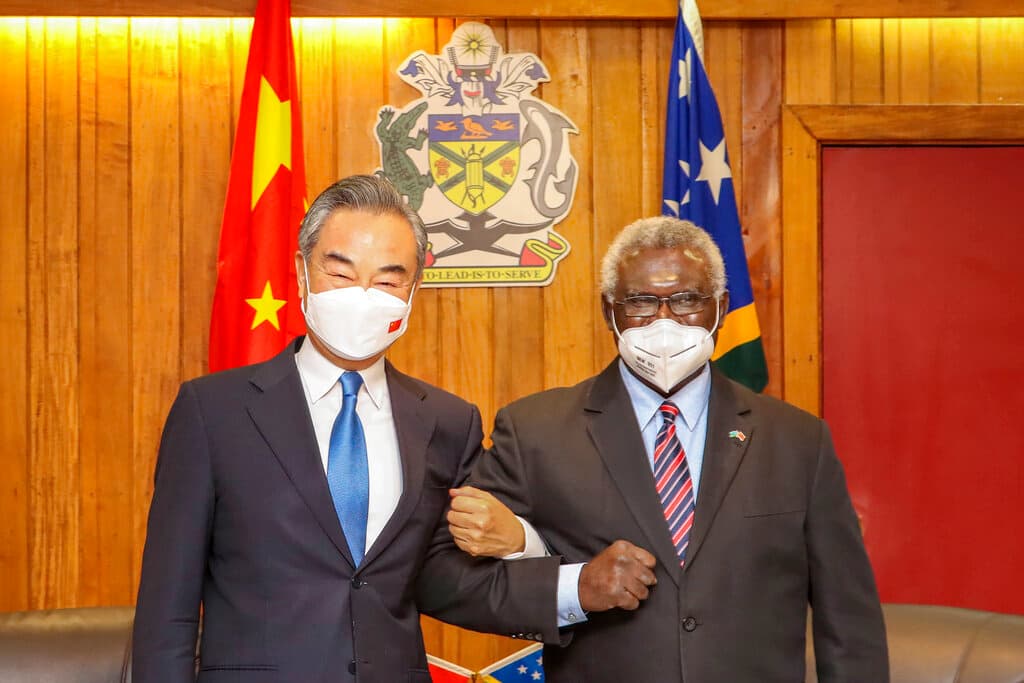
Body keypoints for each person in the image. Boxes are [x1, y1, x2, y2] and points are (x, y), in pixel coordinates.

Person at [131, 175, 561, 683]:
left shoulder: (447, 421)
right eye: (340, 273)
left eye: (387, 281)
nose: (363, 295)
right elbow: (168, 608)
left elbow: (449, 580)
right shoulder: (212, 412)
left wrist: (522, 542)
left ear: (413, 291)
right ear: (301, 272)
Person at [444, 216, 889, 682]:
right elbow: (451, 581)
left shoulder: (798, 441)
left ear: (720, 307)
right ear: (609, 312)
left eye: (687, 300)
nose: (664, 321)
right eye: (640, 302)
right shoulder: (536, 431)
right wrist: (574, 588)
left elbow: (849, 623)